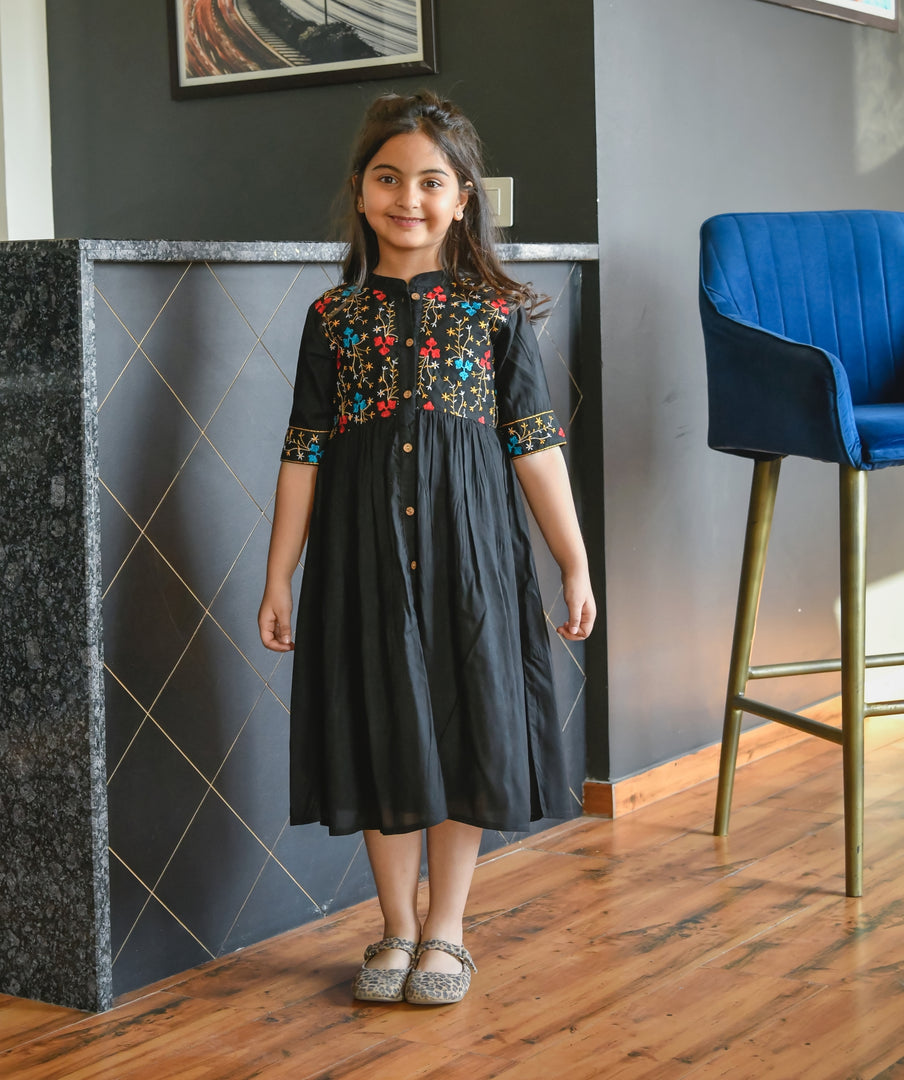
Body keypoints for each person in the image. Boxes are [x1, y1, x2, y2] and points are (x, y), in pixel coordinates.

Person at [258, 90, 595, 1007]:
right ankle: (395, 929)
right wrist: (279, 572)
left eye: (431, 181)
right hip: (361, 562)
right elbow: (304, 451)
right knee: (384, 730)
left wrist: (572, 560)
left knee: (465, 722)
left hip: (472, 559)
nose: (408, 196)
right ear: (363, 194)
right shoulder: (334, 318)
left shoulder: (495, 315)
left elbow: (534, 444)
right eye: (388, 178)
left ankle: (446, 929)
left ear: (463, 199)